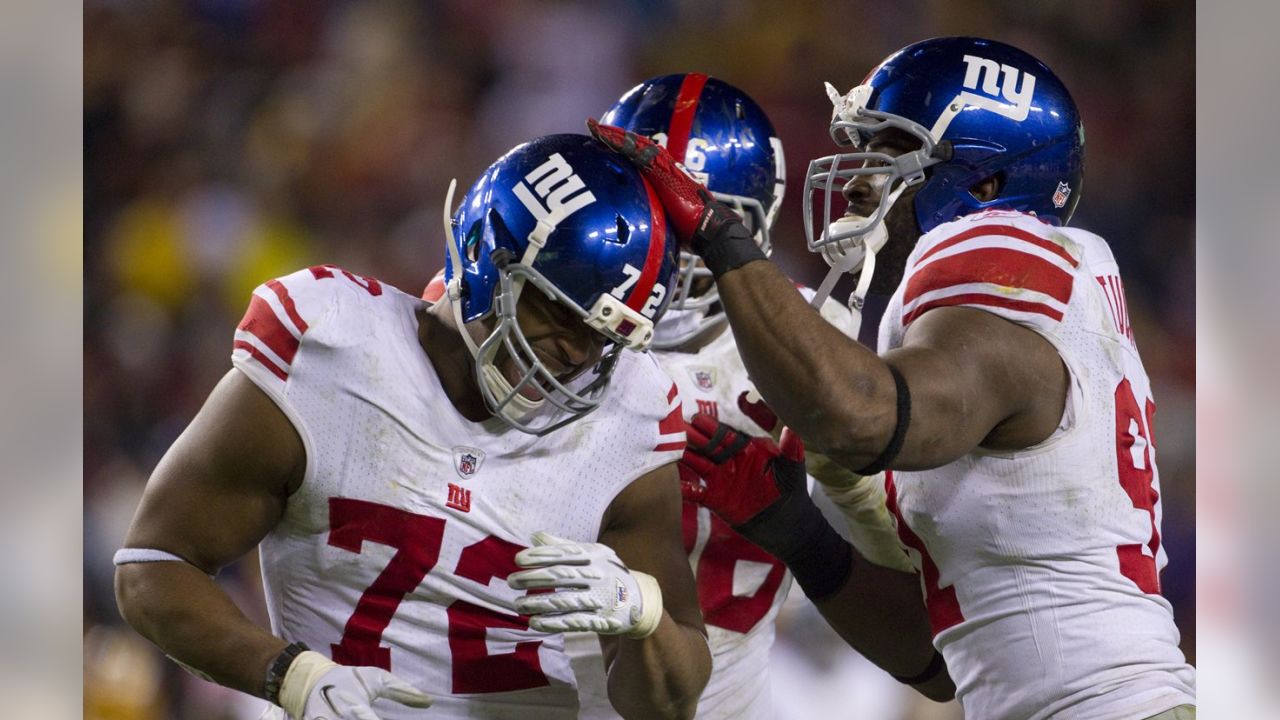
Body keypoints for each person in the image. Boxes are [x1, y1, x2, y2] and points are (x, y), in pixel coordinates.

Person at [591, 37, 1196, 720]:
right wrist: (792, 526)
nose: (855, 180)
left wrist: (717, 236)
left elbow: (859, 415)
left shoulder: (997, 248)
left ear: (984, 184)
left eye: (886, 152)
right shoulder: (1011, 310)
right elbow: (934, 663)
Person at [113, 134, 713, 720]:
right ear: (484, 257)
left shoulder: (626, 416)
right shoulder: (332, 353)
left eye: (604, 337)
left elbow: (666, 703)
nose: (577, 355)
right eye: (557, 310)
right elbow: (153, 565)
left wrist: (642, 611)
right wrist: (291, 676)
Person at [566, 73, 950, 719]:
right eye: (653, 210)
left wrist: (819, 514)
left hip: (719, 695)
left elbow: (923, 615)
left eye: (695, 221)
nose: (673, 245)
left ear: (752, 222)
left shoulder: (812, 342)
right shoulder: (550, 315)